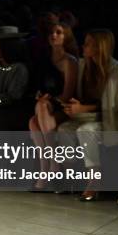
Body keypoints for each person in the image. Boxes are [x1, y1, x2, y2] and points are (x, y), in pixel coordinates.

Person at [57, 29, 118, 202]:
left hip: (111, 120)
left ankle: (95, 180)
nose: (83, 46)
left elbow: (117, 108)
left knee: (86, 131)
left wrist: (83, 108)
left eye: (88, 43)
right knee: (64, 129)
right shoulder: (84, 65)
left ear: (100, 47)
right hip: (87, 116)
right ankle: (70, 176)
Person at [28, 22, 78, 190]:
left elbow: (68, 95)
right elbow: (39, 86)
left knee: (36, 118)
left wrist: (50, 100)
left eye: (59, 32)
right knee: (34, 119)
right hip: (46, 107)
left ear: (67, 37)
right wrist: (40, 96)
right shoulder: (44, 58)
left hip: (65, 107)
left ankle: (50, 168)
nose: (53, 35)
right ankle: (50, 168)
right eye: (51, 32)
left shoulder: (70, 61)